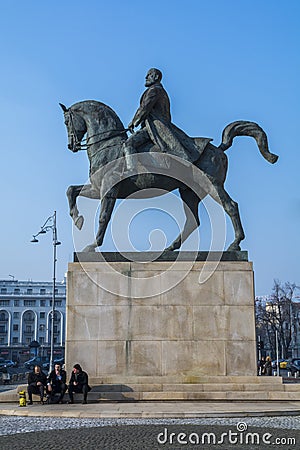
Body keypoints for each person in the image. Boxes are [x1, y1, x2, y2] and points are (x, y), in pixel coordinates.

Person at [123, 68, 203, 173]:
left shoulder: (154, 90)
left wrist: (134, 122)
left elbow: (144, 108)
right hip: (160, 125)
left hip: (155, 127)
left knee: (128, 144)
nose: (146, 77)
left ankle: (131, 171)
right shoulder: (161, 91)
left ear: (156, 77)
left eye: (149, 75)